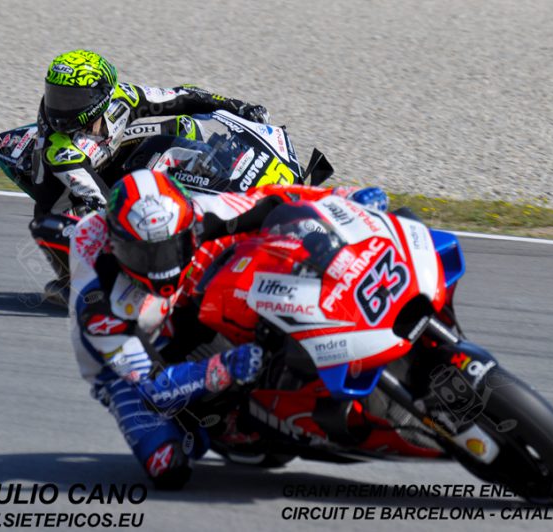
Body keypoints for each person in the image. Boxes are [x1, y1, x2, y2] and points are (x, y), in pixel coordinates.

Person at [69, 168, 387, 488]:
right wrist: (225, 367)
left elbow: (273, 198)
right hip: (124, 364)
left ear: (189, 225)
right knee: (167, 466)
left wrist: (344, 198)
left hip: (185, 300)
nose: (162, 267)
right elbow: (154, 389)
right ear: (116, 246)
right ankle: (226, 416)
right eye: (144, 256)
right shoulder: (98, 305)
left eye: (171, 249)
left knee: (270, 242)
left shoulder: (201, 213)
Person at [32, 49, 269, 302]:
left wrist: (237, 107)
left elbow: (183, 96)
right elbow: (105, 203)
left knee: (185, 127)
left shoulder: (123, 98)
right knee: (103, 235)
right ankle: (80, 282)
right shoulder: (61, 151)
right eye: (56, 96)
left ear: (101, 96)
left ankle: (213, 192)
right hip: (70, 201)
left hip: (108, 158)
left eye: (69, 99)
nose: (59, 109)